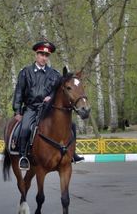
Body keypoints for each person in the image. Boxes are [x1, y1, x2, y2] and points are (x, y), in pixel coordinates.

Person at [13, 41, 84, 170]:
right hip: (32, 108)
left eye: (46, 55)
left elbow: (58, 91)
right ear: (36, 55)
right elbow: (19, 92)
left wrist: (50, 97)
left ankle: (72, 153)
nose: (44, 58)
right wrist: (17, 111)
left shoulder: (55, 74)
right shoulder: (25, 72)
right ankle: (23, 156)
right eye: (41, 54)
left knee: (71, 125)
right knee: (25, 128)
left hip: (48, 109)